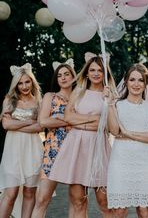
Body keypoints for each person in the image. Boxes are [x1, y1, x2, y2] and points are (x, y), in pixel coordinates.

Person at [48, 52, 117, 218]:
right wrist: (93, 119)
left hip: (98, 147)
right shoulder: (78, 92)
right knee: (78, 199)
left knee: (104, 201)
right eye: (92, 70)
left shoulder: (111, 95)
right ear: (86, 72)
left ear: (105, 73)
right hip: (77, 147)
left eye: (100, 70)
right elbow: (68, 118)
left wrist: (82, 121)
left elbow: (108, 125)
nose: (95, 73)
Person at [107, 63, 148, 218]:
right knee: (120, 210)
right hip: (120, 160)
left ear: (145, 84)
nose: (136, 84)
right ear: (126, 82)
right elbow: (114, 130)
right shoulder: (116, 105)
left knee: (144, 211)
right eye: (132, 80)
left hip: (144, 162)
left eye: (140, 80)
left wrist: (128, 133)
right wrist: (109, 103)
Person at [31, 59, 76, 218]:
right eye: (59, 76)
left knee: (77, 201)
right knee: (42, 199)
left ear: (73, 77)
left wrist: (58, 121)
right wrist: (72, 120)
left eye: (66, 74)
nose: (63, 78)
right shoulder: (51, 96)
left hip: (75, 151)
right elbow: (43, 121)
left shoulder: (79, 98)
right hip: (53, 152)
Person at [0, 63, 43, 218]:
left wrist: (15, 125)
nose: (24, 86)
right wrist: (30, 122)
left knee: (30, 191)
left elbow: (40, 127)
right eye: (20, 83)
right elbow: (6, 124)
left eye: (27, 81)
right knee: (10, 193)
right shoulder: (9, 100)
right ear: (15, 84)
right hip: (12, 152)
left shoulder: (39, 102)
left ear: (32, 82)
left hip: (33, 150)